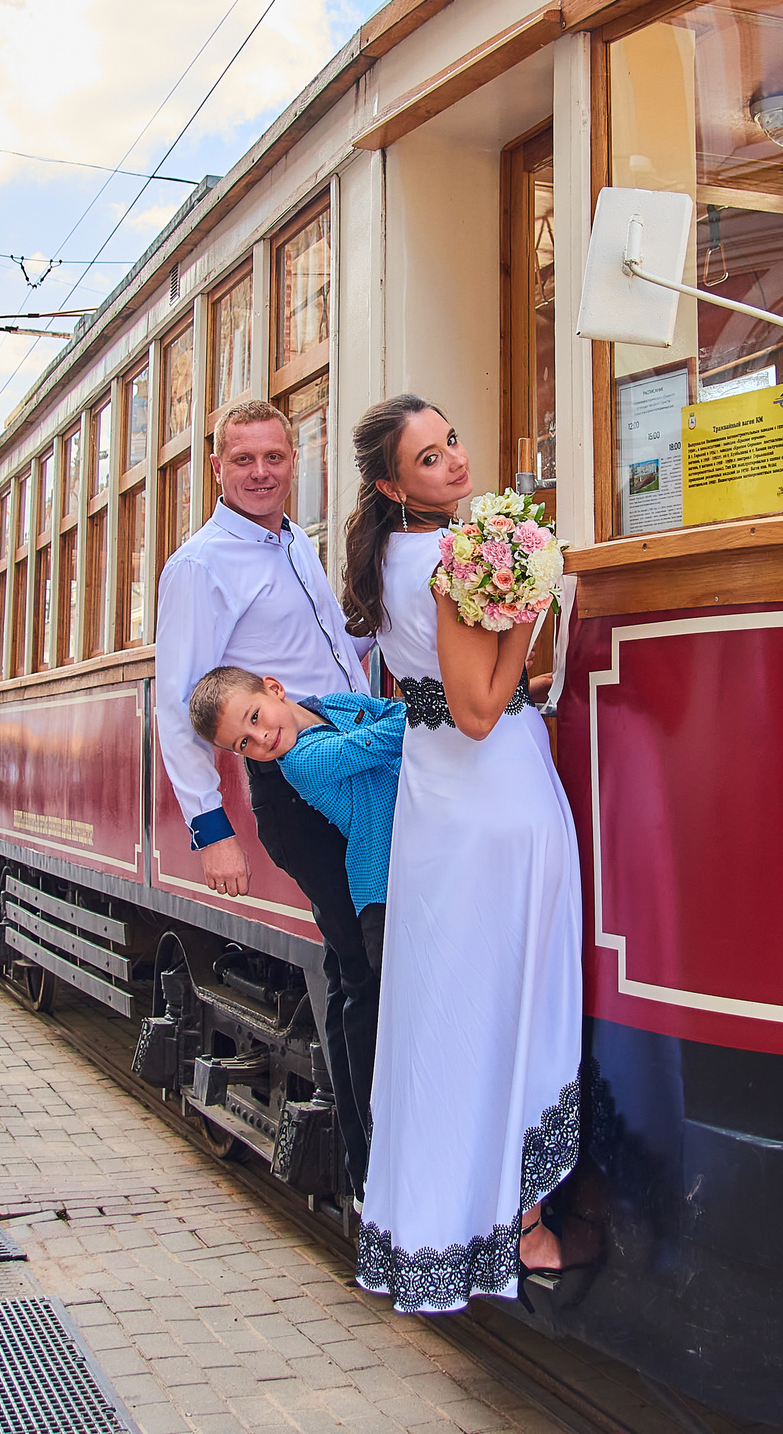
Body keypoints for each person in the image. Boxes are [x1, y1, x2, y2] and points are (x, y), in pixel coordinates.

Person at [340, 393, 583, 1314]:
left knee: (446, 1012)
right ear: (392, 484)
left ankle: (445, 1225)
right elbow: (483, 709)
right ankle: (516, 1225)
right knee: (510, 1004)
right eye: (431, 457)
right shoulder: (448, 557)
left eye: (453, 442)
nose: (454, 460)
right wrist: (534, 597)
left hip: (440, 801)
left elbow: (443, 693)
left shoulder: (404, 554)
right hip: (493, 797)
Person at [154, 398, 379, 1191]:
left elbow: (324, 654)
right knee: (360, 965)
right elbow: (180, 703)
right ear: (216, 467)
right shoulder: (202, 564)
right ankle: (368, 1173)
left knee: (375, 958)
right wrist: (212, 828)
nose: (260, 473)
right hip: (296, 783)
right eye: (243, 459)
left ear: (295, 460)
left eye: (274, 457)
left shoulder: (295, 545)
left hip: (347, 753)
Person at [188, 667, 402, 971]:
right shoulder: (303, 761)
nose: (260, 738)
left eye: (254, 717)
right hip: (383, 894)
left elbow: (395, 712)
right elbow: (392, 735)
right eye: (244, 745)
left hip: (407, 866)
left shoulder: (336, 703)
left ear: (274, 688)